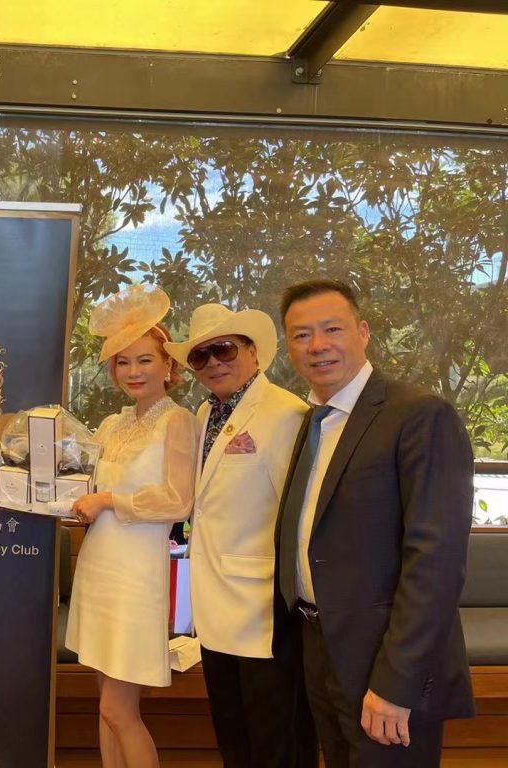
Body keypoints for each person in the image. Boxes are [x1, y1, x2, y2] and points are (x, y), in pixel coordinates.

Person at [276, 278, 474, 768]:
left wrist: (396, 683)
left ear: (362, 332)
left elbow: (435, 562)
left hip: (385, 662)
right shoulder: (314, 421)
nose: (317, 345)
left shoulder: (419, 414)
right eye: (301, 335)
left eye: (332, 329)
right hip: (320, 645)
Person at [163, 304, 315, 768]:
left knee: (277, 740)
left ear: (253, 353)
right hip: (213, 605)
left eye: (224, 350)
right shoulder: (205, 413)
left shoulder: (286, 413)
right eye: (200, 356)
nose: (213, 362)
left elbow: (302, 517)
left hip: (264, 608)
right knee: (233, 735)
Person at [66, 284, 199, 768]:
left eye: (145, 360)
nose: (133, 371)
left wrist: (108, 499)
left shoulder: (177, 421)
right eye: (123, 362)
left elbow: (178, 500)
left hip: (137, 575)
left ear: (168, 366)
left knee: (117, 709)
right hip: (98, 567)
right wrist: (24, 485)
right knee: (105, 707)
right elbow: (76, 484)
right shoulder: (111, 425)